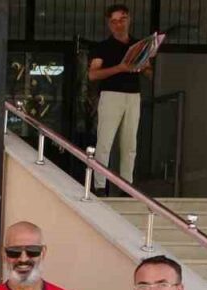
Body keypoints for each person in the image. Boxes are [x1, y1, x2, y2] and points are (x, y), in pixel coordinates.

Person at [88, 4, 150, 194]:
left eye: (122, 20)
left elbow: (149, 73)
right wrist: (120, 68)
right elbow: (92, 74)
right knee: (104, 142)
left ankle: (126, 187)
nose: (118, 25)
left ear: (129, 19)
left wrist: (144, 65)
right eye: (114, 21)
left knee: (130, 144)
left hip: (133, 96)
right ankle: (99, 186)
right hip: (110, 95)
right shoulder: (103, 47)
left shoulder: (139, 45)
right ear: (109, 24)